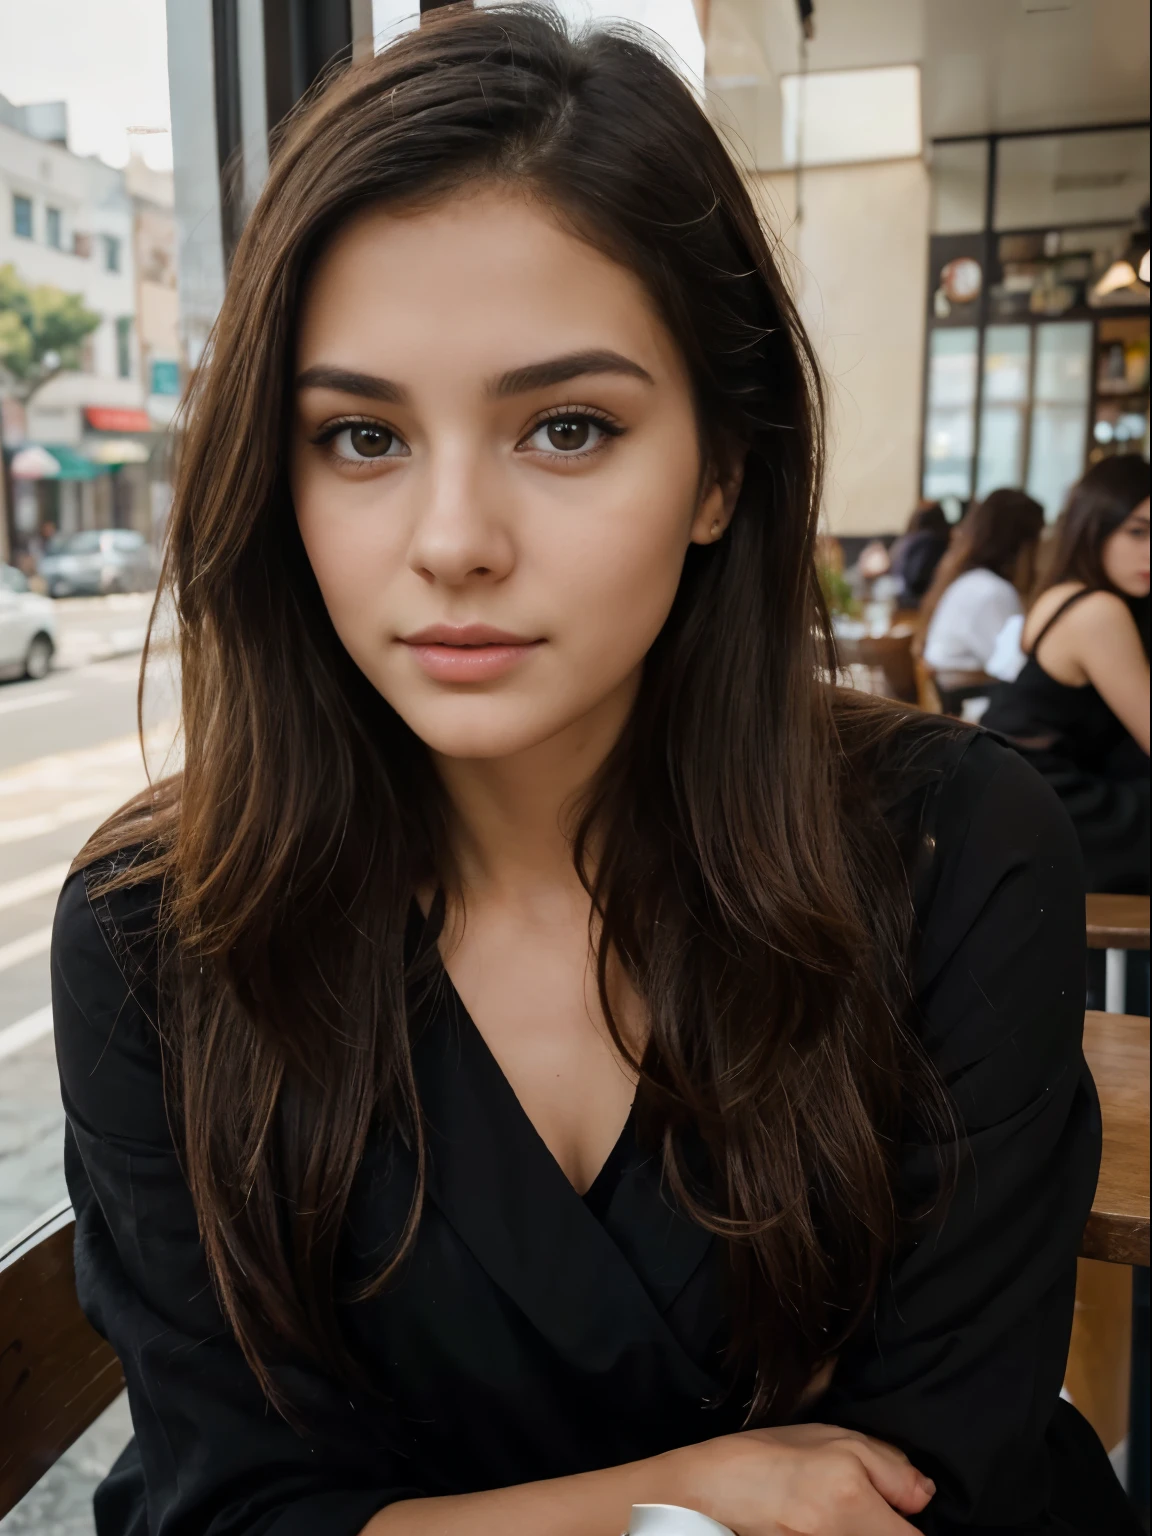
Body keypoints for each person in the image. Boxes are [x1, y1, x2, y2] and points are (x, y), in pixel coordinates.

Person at [50, 10, 1134, 1536]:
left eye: (567, 427)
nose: (451, 541)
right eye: (361, 437)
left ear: (724, 473)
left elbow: (933, 1484)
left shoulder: (951, 851)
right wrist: (683, 1495)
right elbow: (231, 1509)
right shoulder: (157, 933)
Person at [983, 457, 1150, 894]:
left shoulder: (1061, 592)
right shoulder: (1097, 611)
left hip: (1015, 806)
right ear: (1095, 526)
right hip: (1055, 813)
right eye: (1138, 531)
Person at [917, 489, 1045, 715]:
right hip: (967, 712)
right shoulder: (991, 591)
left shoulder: (972, 581)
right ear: (1024, 544)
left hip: (953, 705)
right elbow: (1016, 669)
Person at [886, 502, 950, 610]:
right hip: (917, 605)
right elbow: (917, 580)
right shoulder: (930, 542)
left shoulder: (904, 541)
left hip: (898, 602)